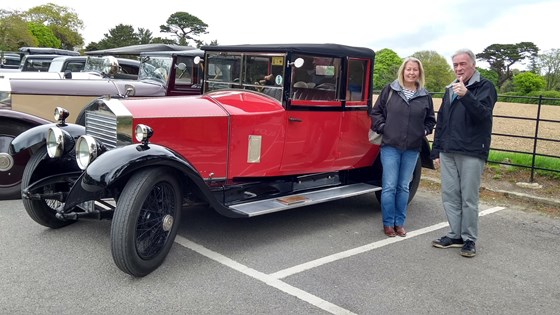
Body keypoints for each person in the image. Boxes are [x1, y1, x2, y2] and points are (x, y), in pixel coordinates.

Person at [430, 49, 497, 257]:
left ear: (473, 65)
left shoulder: (485, 87)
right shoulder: (450, 89)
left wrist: (466, 95)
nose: (459, 68)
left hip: (471, 151)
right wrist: (436, 150)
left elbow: (483, 116)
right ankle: (455, 234)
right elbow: (441, 121)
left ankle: (469, 239)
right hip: (448, 151)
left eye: (463, 64)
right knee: (450, 195)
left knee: (469, 197)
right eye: (456, 65)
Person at [370, 57, 436, 237]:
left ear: (419, 73)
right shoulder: (390, 91)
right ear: (403, 71)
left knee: (404, 186)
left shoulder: (425, 96)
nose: (412, 72)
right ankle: (388, 223)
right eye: (409, 69)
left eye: (415, 70)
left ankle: (399, 223)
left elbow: (431, 120)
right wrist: (384, 128)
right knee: (389, 185)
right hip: (390, 146)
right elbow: (376, 113)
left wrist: (423, 130)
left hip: (412, 148)